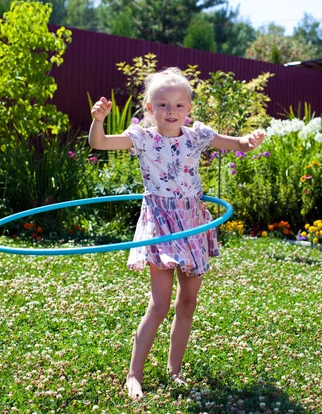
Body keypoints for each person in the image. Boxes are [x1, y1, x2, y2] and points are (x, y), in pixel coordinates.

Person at [89, 67, 264, 399]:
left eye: (179, 105)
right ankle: (134, 374)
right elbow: (98, 142)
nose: (172, 112)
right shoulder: (142, 137)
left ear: (189, 108)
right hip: (161, 223)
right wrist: (98, 120)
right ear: (150, 108)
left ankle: (175, 370)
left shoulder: (197, 135)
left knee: (188, 301)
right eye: (163, 105)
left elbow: (238, 143)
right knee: (159, 304)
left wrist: (250, 141)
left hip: (192, 221)